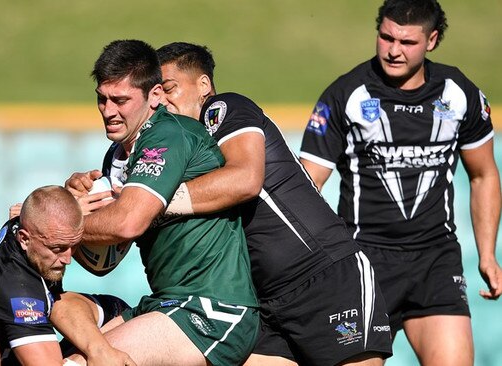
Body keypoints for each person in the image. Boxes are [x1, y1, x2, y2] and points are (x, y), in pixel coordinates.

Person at [152, 42, 392, 366]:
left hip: (324, 276)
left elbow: (246, 180)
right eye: (155, 94)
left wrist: (153, 203)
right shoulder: (184, 149)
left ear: (203, 85)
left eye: (169, 89)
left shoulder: (222, 108)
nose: (162, 102)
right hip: (263, 300)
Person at [299, 0, 502, 365]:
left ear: (432, 41)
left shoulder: (459, 93)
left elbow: (484, 174)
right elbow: (306, 185)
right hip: (364, 262)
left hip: (436, 261)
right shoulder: (346, 94)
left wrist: (488, 254)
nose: (393, 51)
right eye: (386, 37)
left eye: (407, 42)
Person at [61, 39, 260, 366]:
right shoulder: (116, 156)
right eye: (102, 99)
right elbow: (105, 261)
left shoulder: (168, 134)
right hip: (165, 303)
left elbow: (129, 222)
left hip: (213, 307)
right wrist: (78, 204)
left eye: (120, 100)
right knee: (60, 352)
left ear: (154, 96)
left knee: (81, 363)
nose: (108, 110)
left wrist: (57, 222)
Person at [0, 185, 134, 366]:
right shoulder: (19, 293)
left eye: (73, 246)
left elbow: (42, 204)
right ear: (25, 239)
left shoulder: (24, 224)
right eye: (58, 248)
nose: (67, 259)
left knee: (117, 312)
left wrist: (73, 200)